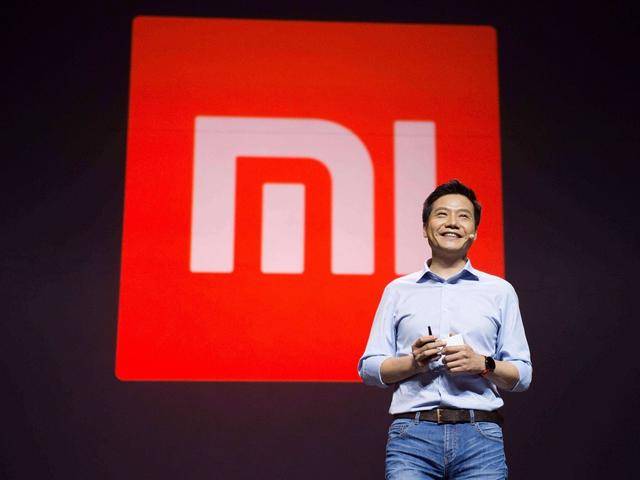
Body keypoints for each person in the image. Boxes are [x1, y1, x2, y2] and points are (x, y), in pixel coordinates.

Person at [358, 179, 532, 479]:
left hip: (480, 436)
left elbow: (523, 375)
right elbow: (369, 368)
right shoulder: (398, 290)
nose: (452, 222)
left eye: (463, 216)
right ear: (425, 228)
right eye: (442, 214)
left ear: (474, 231)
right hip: (412, 435)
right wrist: (414, 363)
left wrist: (483, 364)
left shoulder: (500, 291)